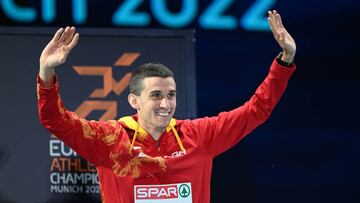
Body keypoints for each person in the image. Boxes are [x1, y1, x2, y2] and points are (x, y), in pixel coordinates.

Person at [38, 10, 296, 203]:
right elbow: (56, 121)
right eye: (156, 95)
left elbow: (256, 110)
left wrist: (285, 60)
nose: (166, 103)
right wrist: (46, 71)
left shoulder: (200, 136)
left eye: (171, 94)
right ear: (134, 101)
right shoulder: (110, 139)